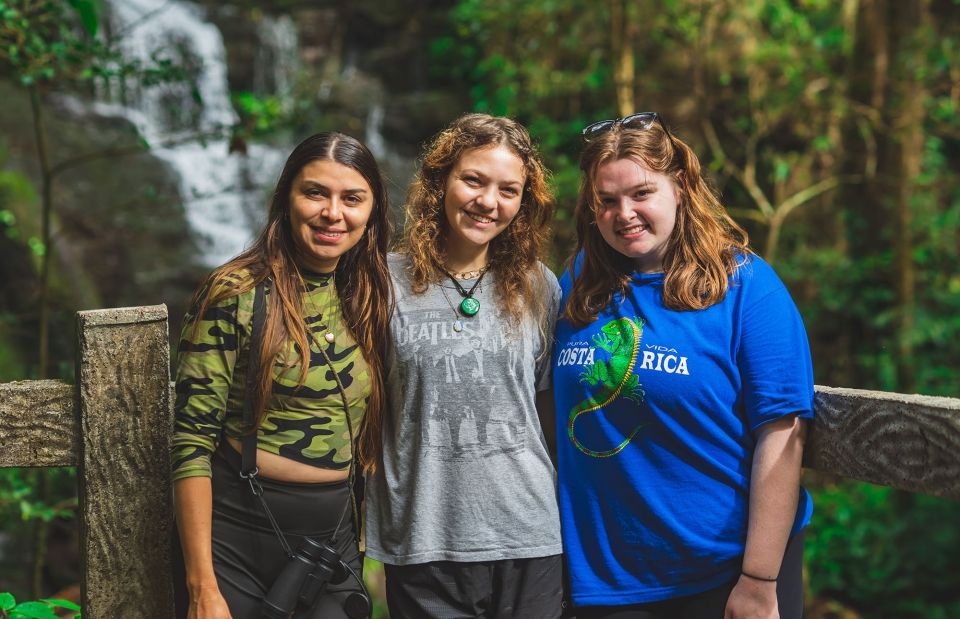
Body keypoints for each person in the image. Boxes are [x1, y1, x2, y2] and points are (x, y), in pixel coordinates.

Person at [552, 113, 813, 619]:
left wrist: (760, 579)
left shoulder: (746, 287)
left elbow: (783, 431)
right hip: (603, 577)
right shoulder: (579, 283)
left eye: (641, 193)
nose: (623, 213)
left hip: (720, 571)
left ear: (681, 187)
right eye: (606, 201)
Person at [171, 132, 392, 619]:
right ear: (286, 200)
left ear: (372, 210)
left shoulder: (369, 291)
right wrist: (201, 587)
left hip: (332, 540)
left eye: (352, 198)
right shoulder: (237, 291)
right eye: (315, 192)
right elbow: (190, 441)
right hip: (239, 539)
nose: (333, 213)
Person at [364, 113, 565, 618]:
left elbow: (547, 412)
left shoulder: (539, 285)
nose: (488, 202)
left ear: (524, 201)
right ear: (440, 181)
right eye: (473, 180)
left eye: (508, 190)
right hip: (424, 537)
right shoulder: (382, 282)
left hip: (529, 534)